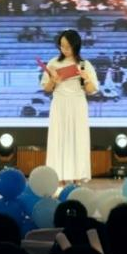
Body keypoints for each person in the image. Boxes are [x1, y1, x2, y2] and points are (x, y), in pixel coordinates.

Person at [41, 29, 99, 184]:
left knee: (78, 139)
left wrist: (86, 78)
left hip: (77, 104)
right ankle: (58, 178)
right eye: (62, 46)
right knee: (58, 138)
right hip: (59, 103)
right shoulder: (53, 63)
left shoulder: (84, 64)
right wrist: (53, 80)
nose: (64, 49)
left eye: (67, 46)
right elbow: (46, 88)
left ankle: (77, 178)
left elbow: (92, 90)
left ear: (76, 45)